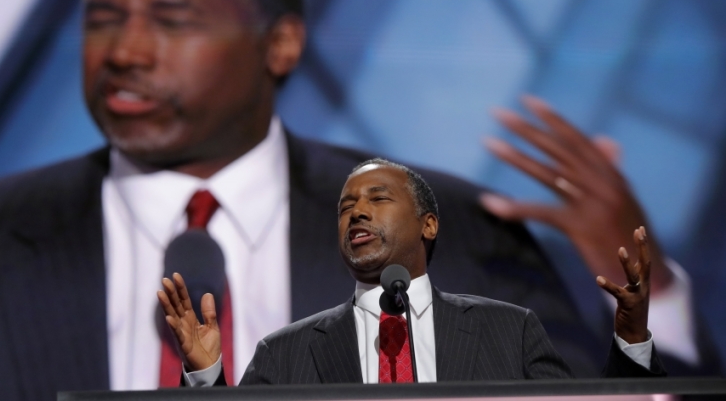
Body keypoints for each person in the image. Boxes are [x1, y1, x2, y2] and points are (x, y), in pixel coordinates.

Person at [0, 0, 712, 401]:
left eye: (171, 20)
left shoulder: (451, 236)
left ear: (281, 44)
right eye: (103, 20)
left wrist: (654, 297)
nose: (124, 51)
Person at [158, 158, 665, 384]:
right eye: (346, 207)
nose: (357, 212)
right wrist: (205, 377)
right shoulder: (285, 353)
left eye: (378, 199)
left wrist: (631, 340)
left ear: (428, 224)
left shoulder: (509, 332)